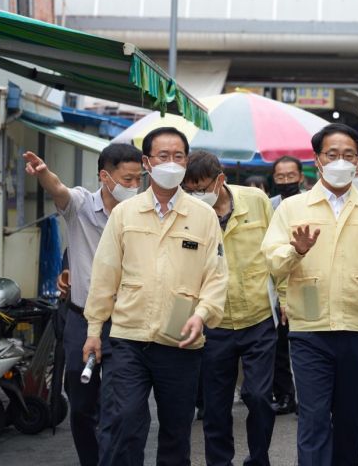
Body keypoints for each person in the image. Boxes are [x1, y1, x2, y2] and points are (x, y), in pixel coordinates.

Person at [83, 127, 229, 466]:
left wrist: (203, 314)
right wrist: (94, 330)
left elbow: (217, 276)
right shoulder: (125, 214)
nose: (172, 163)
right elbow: (105, 275)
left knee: (177, 433)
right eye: (163, 156)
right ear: (147, 163)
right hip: (127, 339)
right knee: (124, 423)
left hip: (180, 342)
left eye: (179, 156)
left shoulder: (203, 216)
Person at [261, 123, 358, 465]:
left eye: (349, 155)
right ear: (318, 160)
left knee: (349, 420)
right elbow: (272, 261)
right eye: (333, 155)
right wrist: (296, 251)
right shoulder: (293, 208)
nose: (341, 161)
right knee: (312, 420)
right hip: (309, 330)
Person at [23, 143, 142, 466]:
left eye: (138, 180)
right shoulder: (82, 206)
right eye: (127, 179)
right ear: (105, 176)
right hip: (81, 318)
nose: (134, 186)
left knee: (120, 405)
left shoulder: (143, 213)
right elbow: (59, 191)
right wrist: (44, 174)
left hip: (125, 322)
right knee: (81, 403)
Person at [182, 151, 276, 466]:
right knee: (215, 404)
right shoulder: (185, 213)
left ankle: (259, 458)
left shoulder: (256, 201)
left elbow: (277, 249)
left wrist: (286, 299)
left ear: (220, 180)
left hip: (258, 316)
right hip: (213, 323)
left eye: (201, 187)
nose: (196, 194)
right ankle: (219, 462)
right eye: (189, 189)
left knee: (259, 397)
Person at [268, 155, 302, 414]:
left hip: (307, 284)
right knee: (279, 345)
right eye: (281, 177)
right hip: (278, 283)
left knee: (307, 341)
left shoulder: (310, 204)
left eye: (291, 176)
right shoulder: (269, 207)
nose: (287, 181)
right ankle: (285, 394)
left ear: (301, 176)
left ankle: (307, 396)